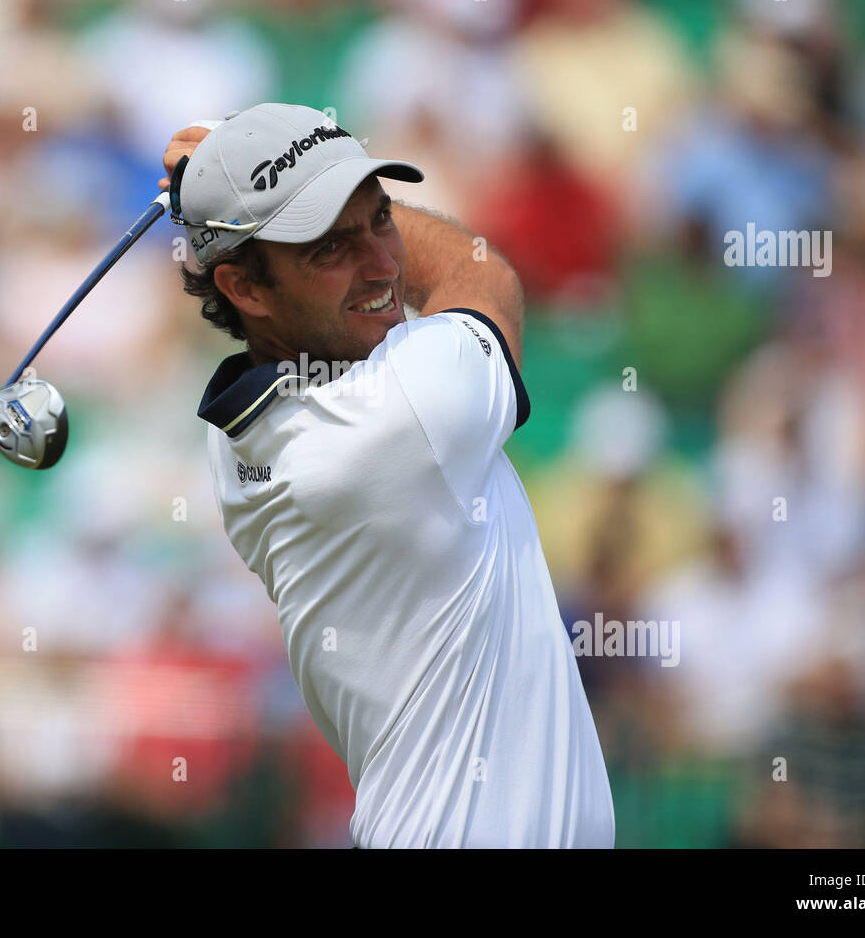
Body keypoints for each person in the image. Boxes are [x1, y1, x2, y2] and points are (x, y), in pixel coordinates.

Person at [164, 103, 614, 848]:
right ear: (245, 289)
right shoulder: (405, 411)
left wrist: (253, 181)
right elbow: (479, 272)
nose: (383, 263)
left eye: (379, 220)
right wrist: (237, 171)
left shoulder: (242, 436)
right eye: (330, 247)